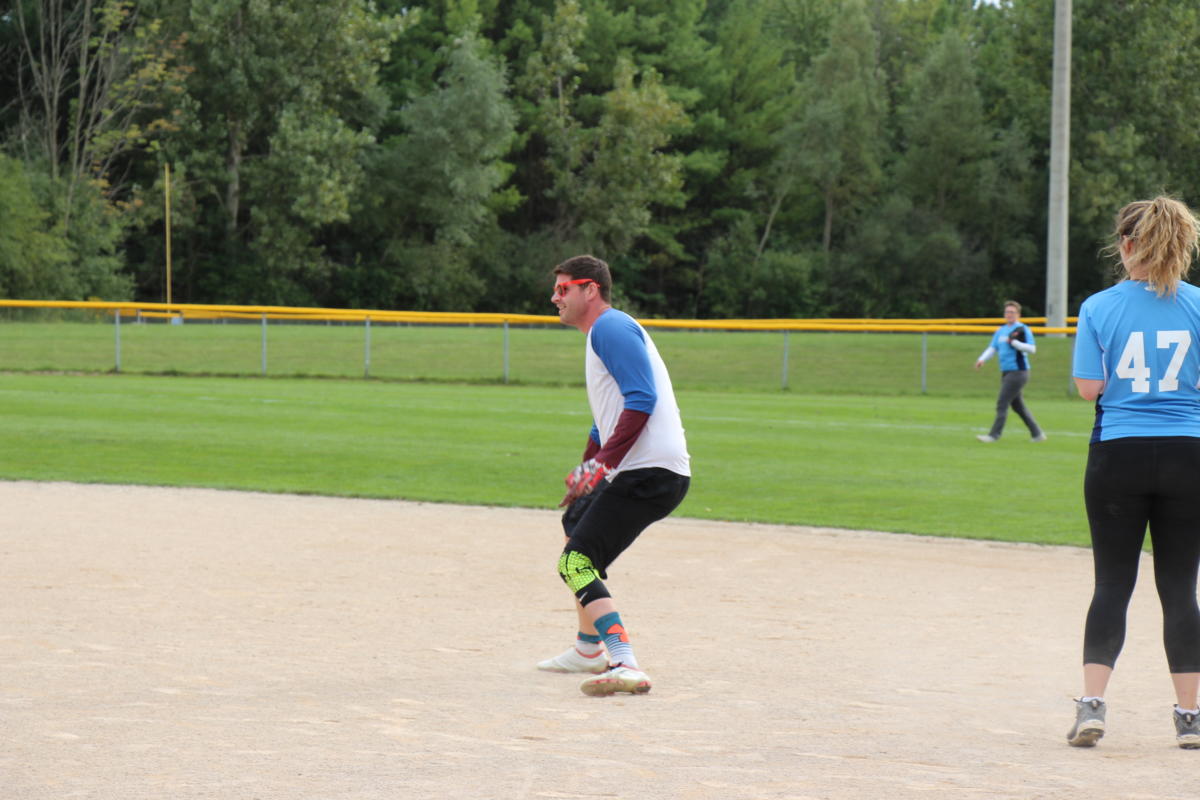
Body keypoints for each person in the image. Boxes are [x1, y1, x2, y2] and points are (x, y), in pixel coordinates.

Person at [1067, 196, 1200, 749]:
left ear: (1126, 246)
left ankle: (1092, 708)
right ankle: (1189, 717)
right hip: (1189, 454)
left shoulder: (1100, 307)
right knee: (1180, 588)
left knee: (1112, 585)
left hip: (1118, 453)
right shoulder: (1199, 304)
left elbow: (1088, 389)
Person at [536, 255, 691, 696]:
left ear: (591, 289)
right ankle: (588, 649)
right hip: (639, 469)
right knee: (575, 523)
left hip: (651, 471)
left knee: (574, 563)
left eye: (564, 289)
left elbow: (641, 399)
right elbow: (603, 421)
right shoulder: (599, 336)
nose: (555, 297)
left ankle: (625, 662)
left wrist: (601, 465)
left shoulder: (610, 327)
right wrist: (589, 467)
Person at [973, 300, 1047, 443]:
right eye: (1007, 312)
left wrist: (1014, 343)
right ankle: (1037, 434)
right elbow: (993, 348)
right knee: (1018, 406)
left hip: (1018, 372)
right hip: (1007, 372)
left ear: (1018, 314)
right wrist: (982, 359)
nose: (1009, 314)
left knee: (1002, 403)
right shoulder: (1001, 331)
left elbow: (1032, 349)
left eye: (1012, 312)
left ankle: (993, 435)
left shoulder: (1022, 329)